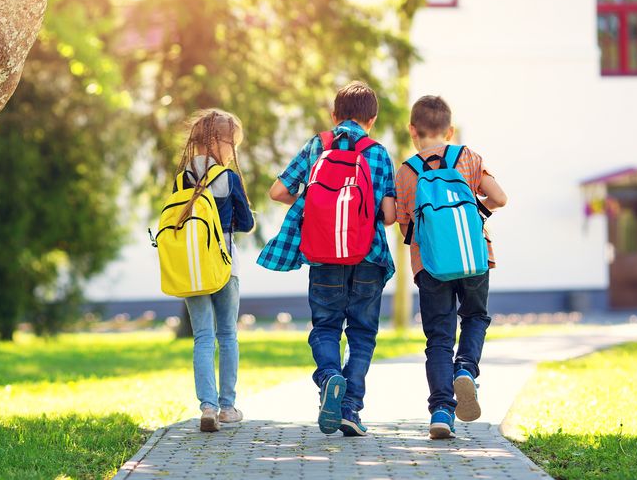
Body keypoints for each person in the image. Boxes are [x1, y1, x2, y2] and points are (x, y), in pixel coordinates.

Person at [261, 81, 396, 436]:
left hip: (323, 254)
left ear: (334, 115)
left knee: (325, 327)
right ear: (373, 119)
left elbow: (278, 192)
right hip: (369, 255)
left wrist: (318, 207)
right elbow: (391, 214)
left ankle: (329, 378)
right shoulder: (378, 152)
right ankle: (351, 407)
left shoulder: (316, 145)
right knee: (362, 333)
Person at [394, 95, 507, 439]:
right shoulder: (468, 157)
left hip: (430, 264)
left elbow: (404, 225)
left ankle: (442, 411)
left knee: (439, 338)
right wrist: (477, 212)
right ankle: (467, 371)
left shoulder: (407, 171)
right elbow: (500, 198)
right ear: (450, 129)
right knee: (474, 317)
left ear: (413, 130)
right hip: (474, 258)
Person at [176, 109, 255, 432]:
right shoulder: (228, 178)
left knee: (203, 337)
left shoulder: (183, 178)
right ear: (221, 143)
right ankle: (227, 407)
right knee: (227, 335)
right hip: (224, 265)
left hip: (192, 268)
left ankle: (206, 407)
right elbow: (247, 223)